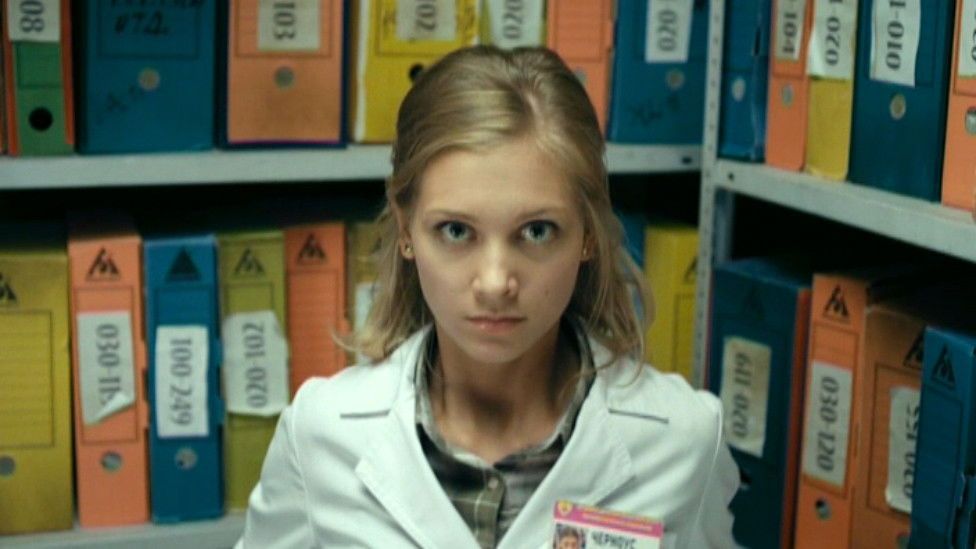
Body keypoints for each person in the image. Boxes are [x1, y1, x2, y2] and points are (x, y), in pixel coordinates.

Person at [236, 45, 739, 549]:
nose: (496, 283)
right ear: (406, 228)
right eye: (456, 231)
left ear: (588, 233)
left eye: (537, 231)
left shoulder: (685, 441)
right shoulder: (321, 434)